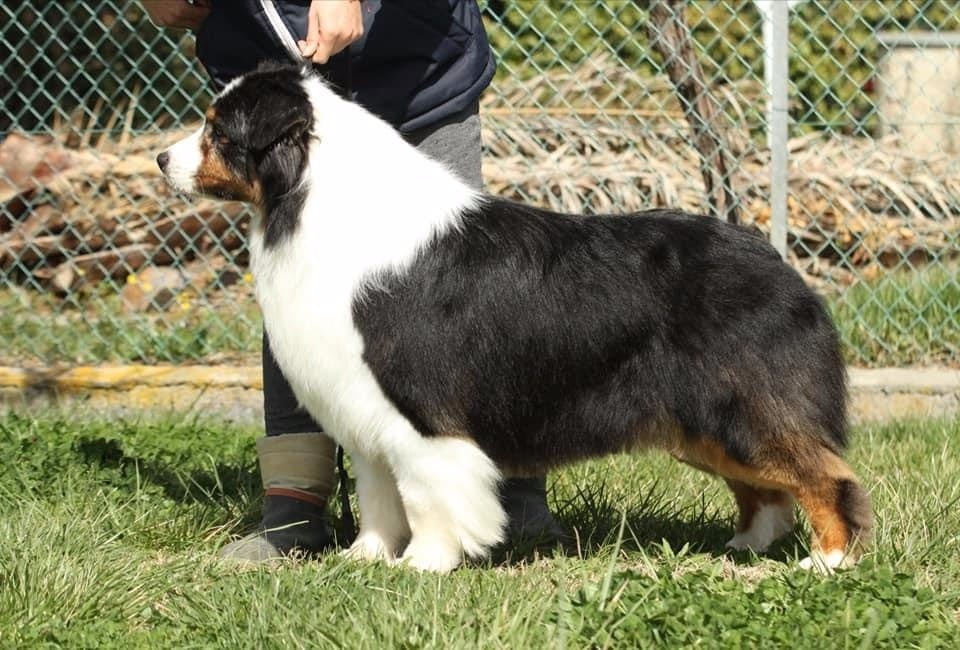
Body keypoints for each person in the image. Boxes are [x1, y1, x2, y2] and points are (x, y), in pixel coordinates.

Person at [142, 0, 561, 561]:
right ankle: (302, 510)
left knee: (457, 298)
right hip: (266, 55)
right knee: (300, 297)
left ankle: (511, 500)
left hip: (415, 59)